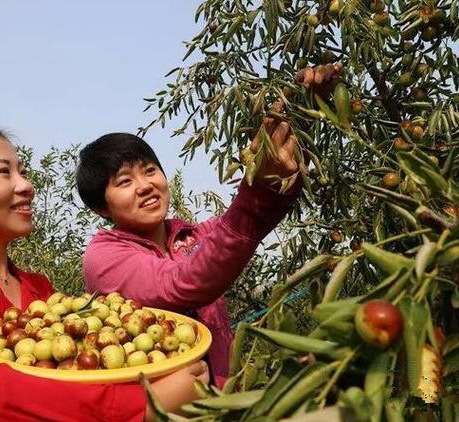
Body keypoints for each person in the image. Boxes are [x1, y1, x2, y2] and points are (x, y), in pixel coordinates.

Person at [0, 121, 208, 422]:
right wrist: (140, 405)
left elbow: (72, 386)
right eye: (3, 172)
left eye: (23, 171)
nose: (26, 185)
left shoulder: (39, 292)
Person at [76, 97, 310, 388]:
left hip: (222, 401)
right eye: (125, 182)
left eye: (150, 171)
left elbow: (251, 220)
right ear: (101, 207)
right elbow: (182, 282)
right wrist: (256, 187)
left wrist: (301, 113)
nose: (145, 185)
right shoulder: (105, 257)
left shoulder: (191, 237)